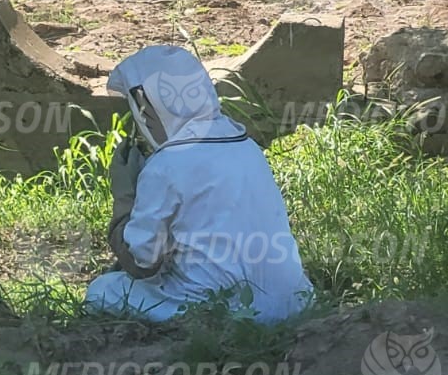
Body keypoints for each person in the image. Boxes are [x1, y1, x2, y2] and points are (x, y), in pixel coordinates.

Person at [85, 45, 313, 324]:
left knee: (102, 290)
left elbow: (142, 261)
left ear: (147, 107)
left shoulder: (166, 165)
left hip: (224, 310)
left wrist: (124, 195)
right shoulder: (247, 146)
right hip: (295, 302)